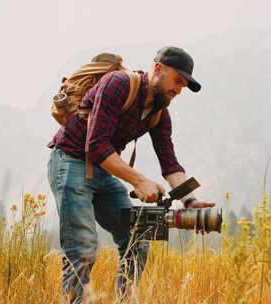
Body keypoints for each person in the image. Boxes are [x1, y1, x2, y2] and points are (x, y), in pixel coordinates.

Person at [46, 46, 216, 303]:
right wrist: (139, 181)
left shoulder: (160, 113)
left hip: (103, 171)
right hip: (70, 161)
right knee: (82, 248)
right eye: (177, 81)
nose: (178, 90)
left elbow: (170, 164)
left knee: (138, 240)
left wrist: (190, 202)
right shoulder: (118, 84)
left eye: (183, 86)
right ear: (158, 69)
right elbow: (96, 145)